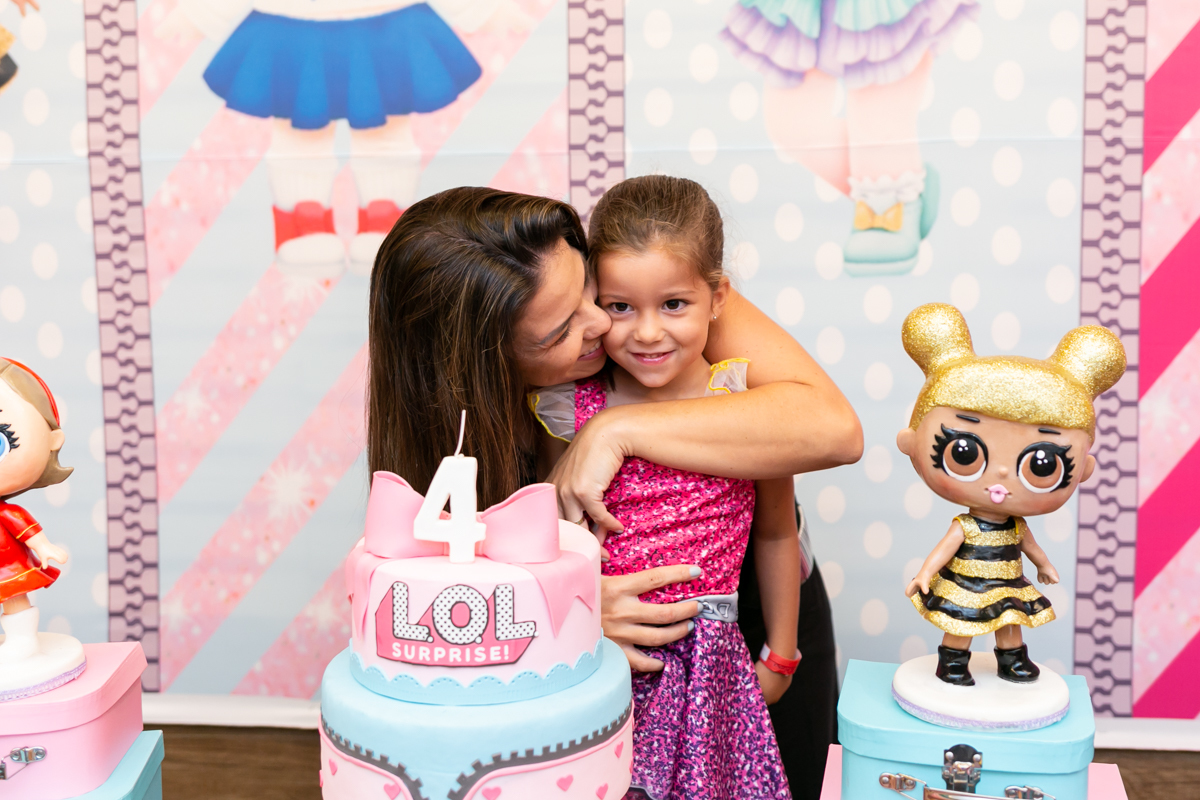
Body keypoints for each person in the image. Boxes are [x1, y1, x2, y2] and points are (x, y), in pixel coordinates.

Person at [366, 186, 861, 796]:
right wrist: (559, 607)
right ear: (488, 365)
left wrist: (617, 429)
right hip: (598, 657)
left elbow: (832, 432)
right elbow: (449, 594)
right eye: (562, 330)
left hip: (744, 617)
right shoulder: (510, 420)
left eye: (587, 293)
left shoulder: (664, 281)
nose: (604, 322)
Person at [529, 176, 798, 799]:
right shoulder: (572, 410)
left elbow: (779, 532)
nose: (647, 333)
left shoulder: (750, 407)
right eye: (621, 307)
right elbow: (547, 531)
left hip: (712, 669)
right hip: (604, 657)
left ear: (717, 296)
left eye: (673, 304)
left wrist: (780, 654)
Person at [897, 304, 1125, 685]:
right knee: (963, 620)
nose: (1001, 475)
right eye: (964, 452)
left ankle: (1012, 661)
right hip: (966, 583)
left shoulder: (1014, 526)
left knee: (1010, 619)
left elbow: (1029, 545)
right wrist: (925, 573)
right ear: (913, 446)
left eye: (1042, 464)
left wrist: (1044, 565)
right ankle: (953, 661)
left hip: (1006, 581)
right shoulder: (966, 526)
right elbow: (944, 548)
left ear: (1082, 469)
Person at [0, 359, 73, 664]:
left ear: (51, 440)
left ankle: (21, 640)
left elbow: (27, 530)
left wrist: (45, 547)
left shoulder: (8, 512)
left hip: (6, 566)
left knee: (14, 599)